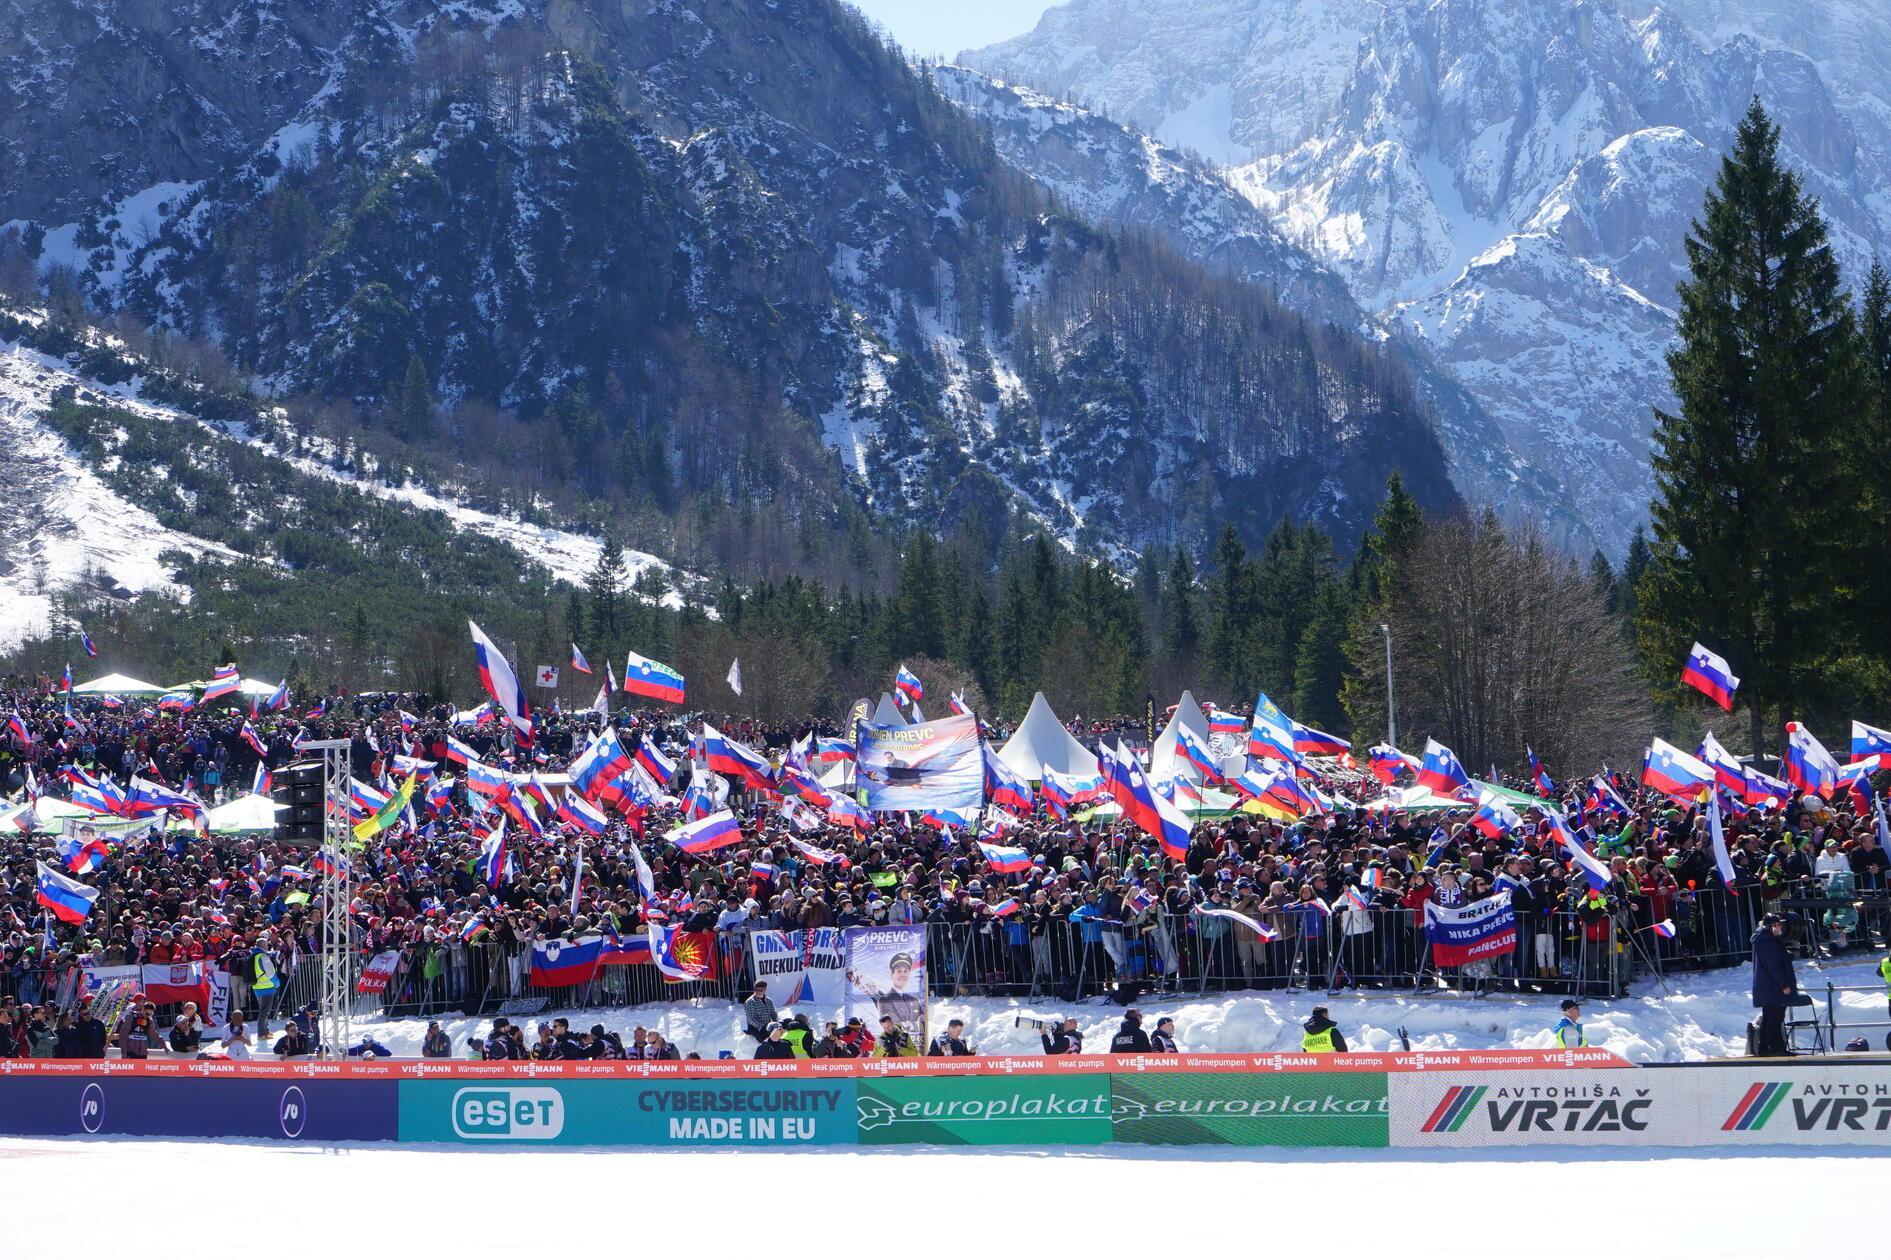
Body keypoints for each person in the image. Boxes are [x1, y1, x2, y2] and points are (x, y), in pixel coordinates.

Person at [1751, 911, 1798, 1057]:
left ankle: (1765, 1048)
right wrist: (1783, 984)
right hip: (1773, 987)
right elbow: (1773, 966)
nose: (1780, 928)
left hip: (1769, 987)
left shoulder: (1767, 940)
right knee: (1774, 1019)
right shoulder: (1767, 941)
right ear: (1770, 926)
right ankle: (1774, 1048)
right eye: (1777, 925)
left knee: (1770, 1018)